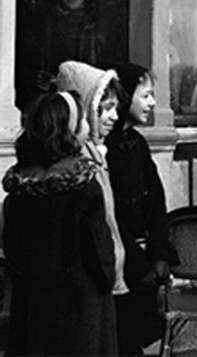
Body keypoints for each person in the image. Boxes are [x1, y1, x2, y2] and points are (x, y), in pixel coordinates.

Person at [2, 90, 118, 355]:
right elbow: (100, 256)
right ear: (70, 130)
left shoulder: (19, 189)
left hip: (32, 307)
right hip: (80, 309)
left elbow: (13, 252)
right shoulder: (84, 187)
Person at [106, 63, 178, 355]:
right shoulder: (104, 149)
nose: (152, 102)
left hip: (143, 261)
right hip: (120, 263)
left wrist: (160, 252)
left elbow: (156, 203)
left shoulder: (137, 144)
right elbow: (108, 212)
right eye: (145, 95)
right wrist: (139, 262)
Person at [56, 61, 131, 312]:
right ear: (88, 107)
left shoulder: (96, 153)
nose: (114, 116)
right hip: (88, 284)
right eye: (106, 108)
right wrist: (107, 269)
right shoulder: (83, 161)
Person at [16, 0, 102, 110]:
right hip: (48, 105)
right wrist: (36, 78)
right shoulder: (40, 22)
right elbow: (22, 64)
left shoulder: (97, 24)